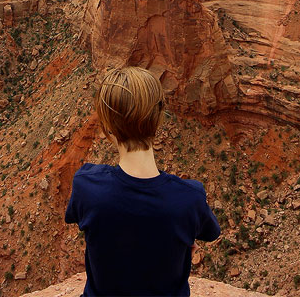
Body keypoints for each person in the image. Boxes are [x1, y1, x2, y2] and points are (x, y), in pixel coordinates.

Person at [64, 66, 221, 297]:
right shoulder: (189, 198)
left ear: (107, 126)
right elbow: (210, 232)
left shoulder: (87, 186)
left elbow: (78, 217)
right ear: (158, 119)